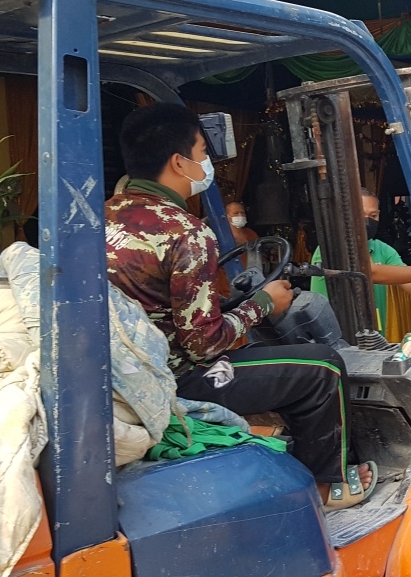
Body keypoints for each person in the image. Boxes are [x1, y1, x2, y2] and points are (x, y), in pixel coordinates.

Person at [104, 103, 374, 509]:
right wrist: (264, 303)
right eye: (201, 154)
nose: (205, 163)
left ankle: (285, 459)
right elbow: (202, 345)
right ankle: (323, 485)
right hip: (177, 376)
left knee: (270, 358)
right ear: (179, 163)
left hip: (125, 366)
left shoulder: (102, 216)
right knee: (322, 367)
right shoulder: (186, 233)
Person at [310, 188, 411, 338]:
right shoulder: (331, 247)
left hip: (372, 335)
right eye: (359, 215)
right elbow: (371, 272)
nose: (367, 221)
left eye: (373, 215)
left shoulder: (382, 249)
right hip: (334, 336)